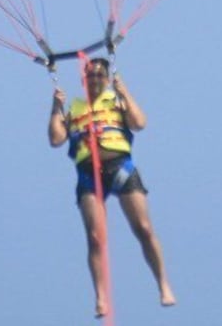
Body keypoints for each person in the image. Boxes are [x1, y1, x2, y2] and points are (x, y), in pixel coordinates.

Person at [47, 58, 176, 316]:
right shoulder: (73, 107)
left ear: (106, 79)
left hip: (121, 169)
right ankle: (101, 298)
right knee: (95, 238)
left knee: (144, 228)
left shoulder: (116, 101)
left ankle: (163, 284)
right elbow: (56, 139)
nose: (95, 79)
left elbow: (139, 123)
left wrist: (124, 90)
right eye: (91, 75)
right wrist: (55, 108)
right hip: (88, 175)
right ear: (84, 79)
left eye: (99, 75)